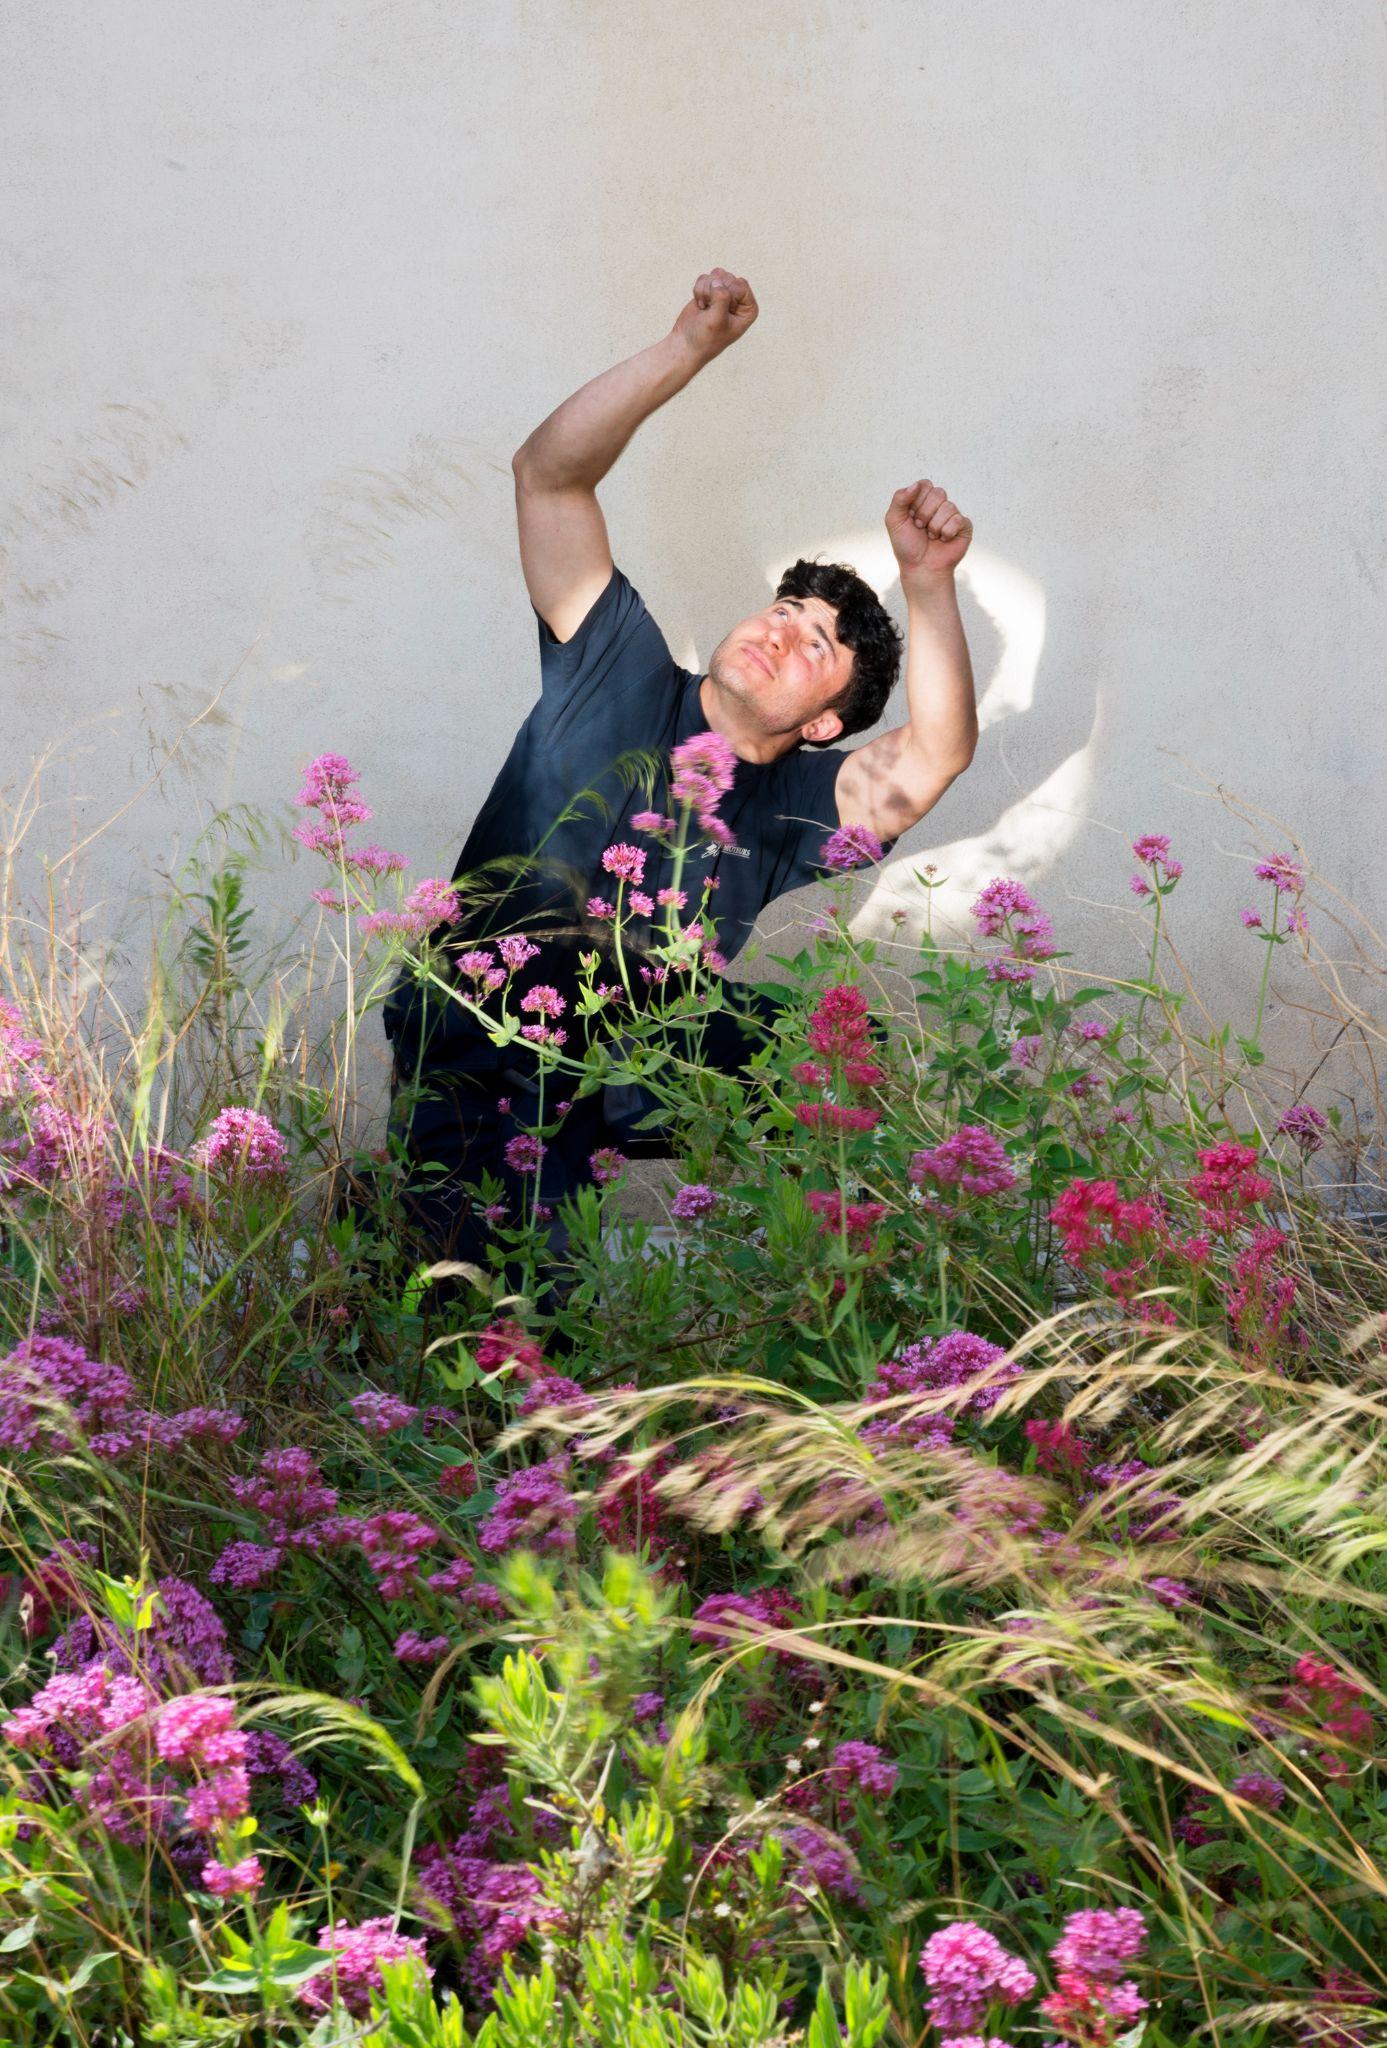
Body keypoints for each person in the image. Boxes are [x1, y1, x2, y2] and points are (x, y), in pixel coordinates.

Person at [381, 266, 979, 1297]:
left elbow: (934, 756)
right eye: (784, 608)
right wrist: (684, 352)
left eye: (820, 642)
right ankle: (420, 1245)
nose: (784, 629)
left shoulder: (800, 804)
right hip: (482, 1038)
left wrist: (927, 583)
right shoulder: (617, 668)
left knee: (837, 1050)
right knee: (495, 1314)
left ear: (825, 722)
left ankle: (823, 1297)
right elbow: (547, 476)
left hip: (630, 1054)